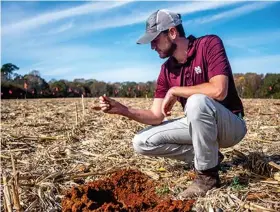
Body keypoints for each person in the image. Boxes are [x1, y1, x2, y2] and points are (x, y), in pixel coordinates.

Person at [94, 9, 247, 198]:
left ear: (172, 33)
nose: (152, 46)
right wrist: (124, 110)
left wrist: (175, 90)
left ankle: (207, 177)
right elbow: (156, 116)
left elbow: (219, 90)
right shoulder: (166, 70)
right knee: (141, 142)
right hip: (198, 123)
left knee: (196, 102)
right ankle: (210, 157)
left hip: (230, 124)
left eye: (155, 39)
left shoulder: (209, 44)